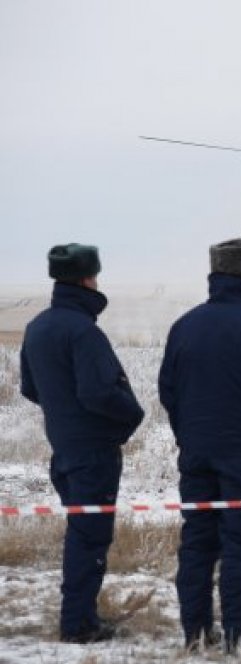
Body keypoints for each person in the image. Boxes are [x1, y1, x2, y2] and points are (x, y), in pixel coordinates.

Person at [158, 238, 241, 652]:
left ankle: (196, 633)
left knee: (197, 541)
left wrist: (189, 433)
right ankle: (239, 634)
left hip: (195, 452)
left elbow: (168, 390)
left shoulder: (185, 325)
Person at [20, 244, 145, 643]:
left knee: (81, 533)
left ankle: (80, 616)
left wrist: (64, 415)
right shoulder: (83, 331)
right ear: (88, 278)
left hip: (63, 447)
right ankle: (79, 624)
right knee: (89, 537)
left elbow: (30, 388)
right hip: (93, 452)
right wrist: (132, 415)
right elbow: (99, 393)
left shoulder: (38, 327)